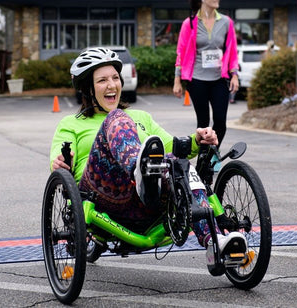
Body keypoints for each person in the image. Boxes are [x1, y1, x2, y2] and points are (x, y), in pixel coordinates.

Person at [50, 47, 246, 270]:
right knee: (116, 118)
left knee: (178, 163)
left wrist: (198, 138)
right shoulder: (71, 124)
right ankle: (140, 170)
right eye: (102, 80)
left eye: (115, 78)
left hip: (148, 202)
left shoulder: (141, 117)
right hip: (101, 196)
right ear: (88, 89)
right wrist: (60, 161)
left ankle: (216, 242)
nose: (112, 85)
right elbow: (57, 158)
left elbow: (171, 146)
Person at [173, 0, 239, 151]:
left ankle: (212, 154)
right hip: (197, 80)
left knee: (220, 121)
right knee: (203, 123)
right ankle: (204, 159)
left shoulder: (226, 22)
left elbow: (233, 52)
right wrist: (177, 80)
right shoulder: (189, 23)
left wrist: (234, 75)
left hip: (219, 79)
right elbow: (181, 53)